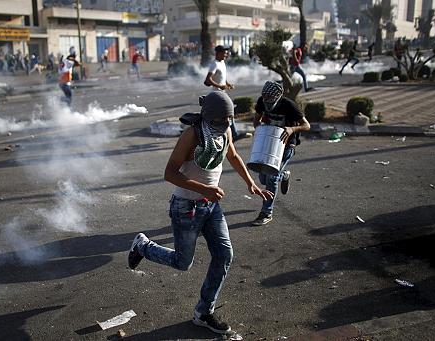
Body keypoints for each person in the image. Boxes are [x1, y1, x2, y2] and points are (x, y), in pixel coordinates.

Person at [128, 91, 273, 335]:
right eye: (221, 121)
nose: (226, 125)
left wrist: (250, 183)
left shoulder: (223, 130)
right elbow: (170, 173)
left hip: (211, 206)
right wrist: (204, 188)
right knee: (182, 262)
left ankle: (204, 312)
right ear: (208, 117)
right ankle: (142, 246)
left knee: (224, 255)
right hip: (186, 207)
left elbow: (233, 155)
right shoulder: (192, 135)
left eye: (229, 120)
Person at [250, 81, 311, 226]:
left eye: (269, 97)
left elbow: (307, 125)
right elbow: (256, 120)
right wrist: (260, 128)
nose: (266, 100)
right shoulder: (262, 102)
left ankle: (266, 212)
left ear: (278, 95)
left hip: (286, 144)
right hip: (269, 142)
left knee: (271, 177)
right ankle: (284, 175)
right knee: (263, 178)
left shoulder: (288, 105)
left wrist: (291, 129)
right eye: (264, 96)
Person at [204, 45, 248, 141]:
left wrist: (227, 84)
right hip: (217, 94)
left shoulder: (222, 62)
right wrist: (220, 86)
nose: (226, 54)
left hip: (222, 92)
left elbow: (222, 76)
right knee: (228, 110)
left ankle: (229, 134)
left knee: (225, 113)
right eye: (224, 53)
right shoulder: (214, 64)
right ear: (219, 53)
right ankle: (232, 134)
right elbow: (208, 79)